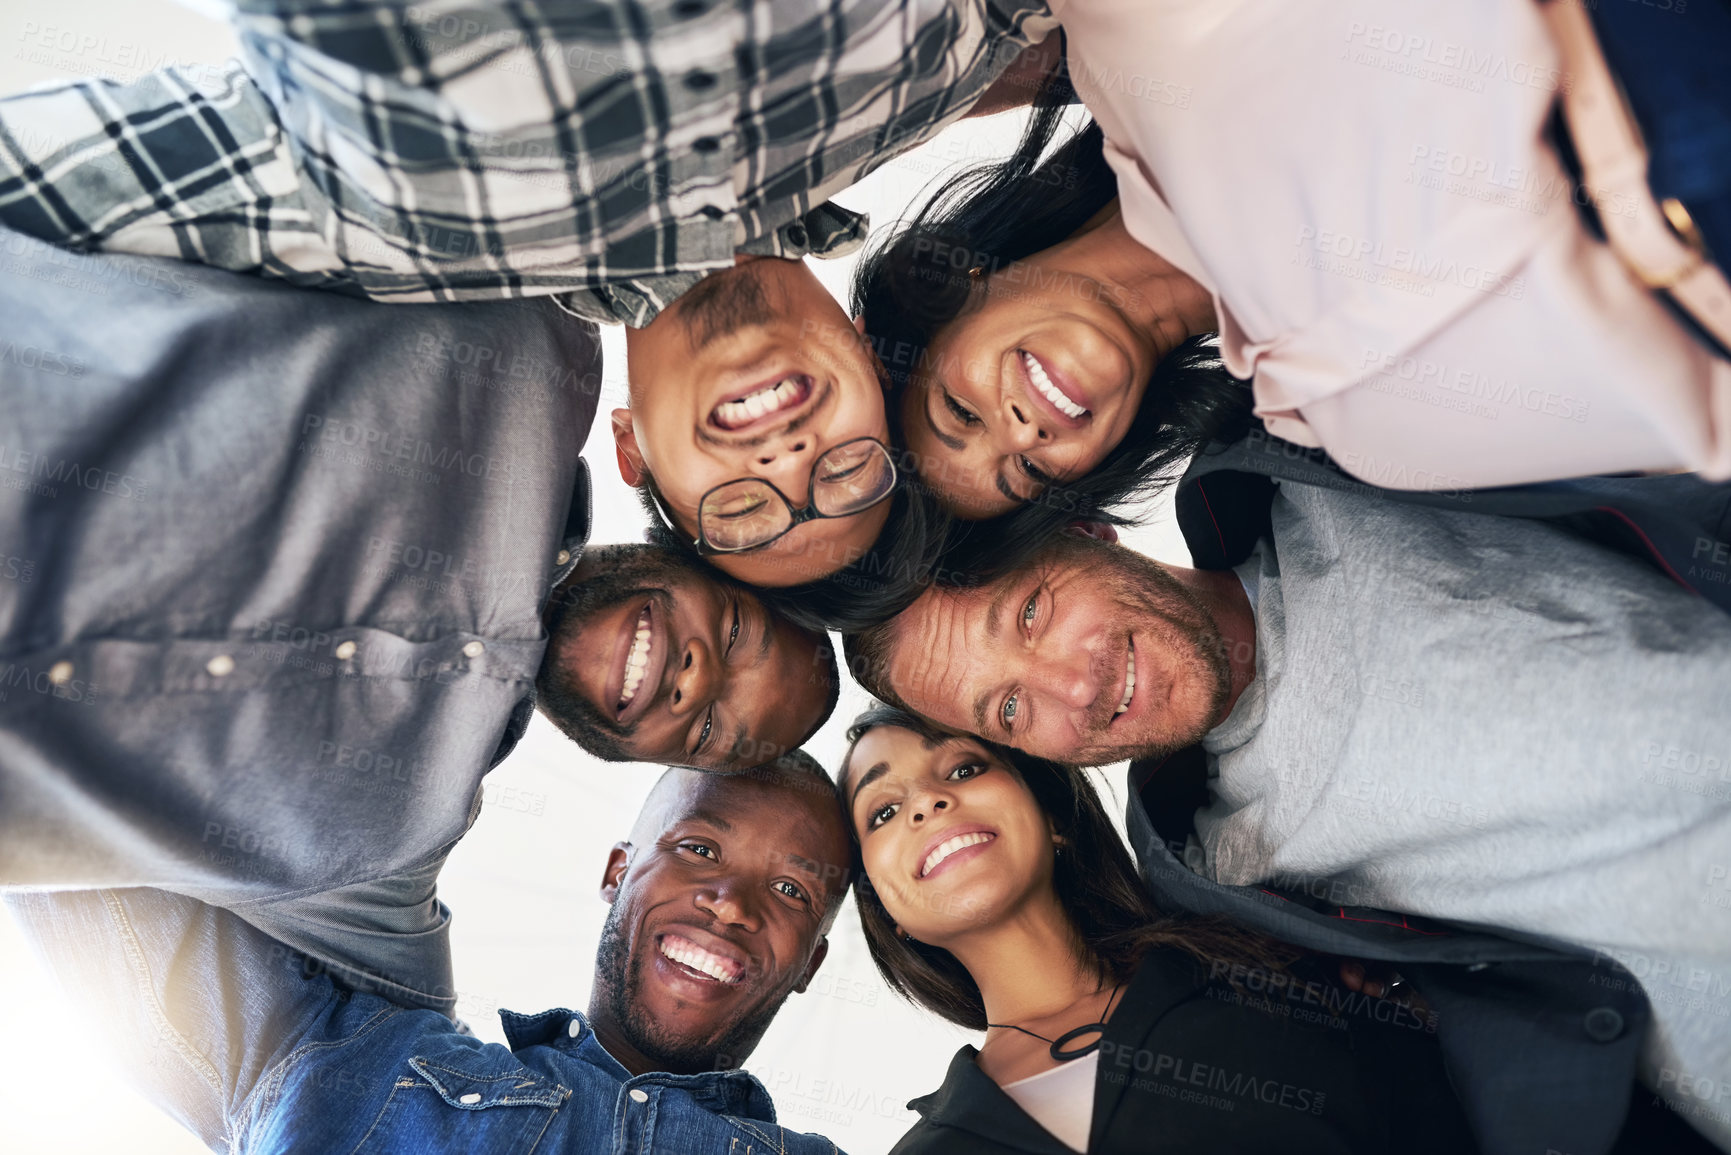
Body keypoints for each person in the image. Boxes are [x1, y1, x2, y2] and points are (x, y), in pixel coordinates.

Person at [0, 226, 837, 1012]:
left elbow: (414, 1079)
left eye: (712, 734)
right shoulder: (527, 341)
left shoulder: (388, 857)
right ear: (693, 547)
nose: (698, 681)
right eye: (732, 633)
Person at [0, 0, 1062, 588]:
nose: (789, 465)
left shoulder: (382, 244)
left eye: (744, 512)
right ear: (874, 360)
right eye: (849, 473)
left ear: (633, 448)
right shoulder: (956, 65)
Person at [843, 454, 1731, 1145]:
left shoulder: (1337, 471)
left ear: (1087, 530)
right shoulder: (1229, 869)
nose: (1072, 687)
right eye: (1009, 709)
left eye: (1031, 613)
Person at [855, 0, 1731, 529]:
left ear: (949, 288)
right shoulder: (1356, 436)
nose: (1021, 429)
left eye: (957, 410)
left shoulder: (1117, 46)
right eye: (1027, 473)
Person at [838, 707, 1721, 1153]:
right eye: (882, 811)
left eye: (962, 764)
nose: (929, 801)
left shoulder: (1252, 938)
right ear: (881, 903)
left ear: (1050, 812)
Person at [6, 758, 856, 1154]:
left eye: (790, 891)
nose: (732, 904)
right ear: (617, 870)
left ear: (812, 961)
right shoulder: (354, 1048)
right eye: (700, 849)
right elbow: (48, 801)